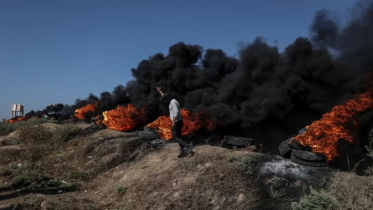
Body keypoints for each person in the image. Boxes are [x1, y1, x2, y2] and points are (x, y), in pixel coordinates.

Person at [156, 87, 194, 158]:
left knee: (174, 137)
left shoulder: (173, 102)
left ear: (167, 98)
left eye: (164, 99)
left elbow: (176, 112)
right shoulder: (172, 101)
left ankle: (188, 146)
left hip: (176, 122)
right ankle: (183, 152)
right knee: (179, 137)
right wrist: (160, 91)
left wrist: (173, 122)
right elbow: (164, 96)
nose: (164, 101)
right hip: (179, 121)